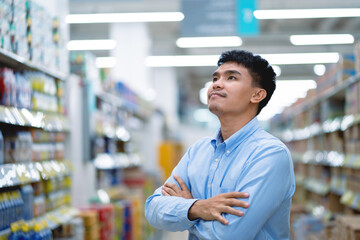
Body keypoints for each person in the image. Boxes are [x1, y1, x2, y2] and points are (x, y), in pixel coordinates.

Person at [145, 50, 296, 239]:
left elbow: (228, 235)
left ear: (257, 95)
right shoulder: (199, 150)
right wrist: (198, 207)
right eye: (215, 78)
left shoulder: (270, 154)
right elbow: (152, 209)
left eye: (231, 77)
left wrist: (186, 212)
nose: (216, 84)